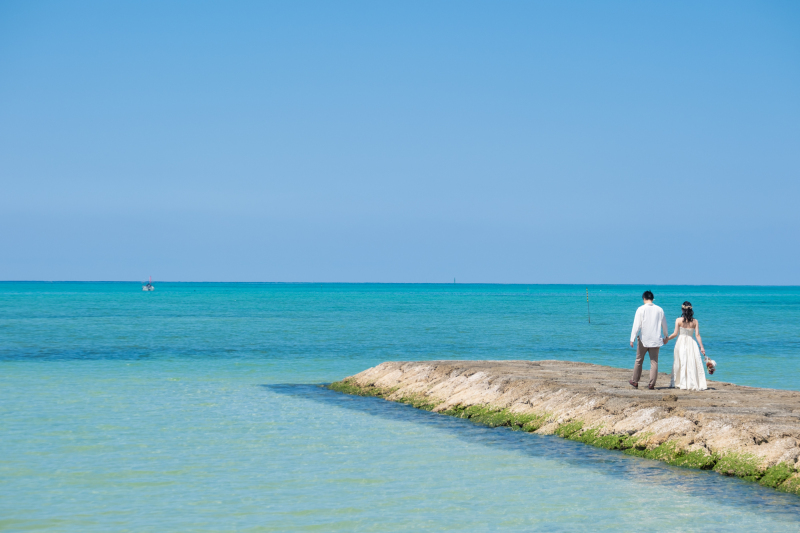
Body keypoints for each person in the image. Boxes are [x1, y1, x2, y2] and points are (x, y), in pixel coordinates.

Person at [629, 290, 669, 390]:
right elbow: (664, 325)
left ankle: (635, 381)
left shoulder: (641, 309)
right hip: (656, 339)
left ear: (644, 298)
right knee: (654, 362)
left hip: (644, 339)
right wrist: (666, 336)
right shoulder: (660, 309)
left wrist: (632, 338)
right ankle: (651, 384)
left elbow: (636, 325)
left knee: (639, 360)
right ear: (652, 298)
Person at [665, 301, 708, 391]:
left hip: (681, 342)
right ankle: (691, 382)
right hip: (691, 342)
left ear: (682, 310)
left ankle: (680, 382)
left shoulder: (678, 320)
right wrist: (702, 347)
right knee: (691, 361)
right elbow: (697, 335)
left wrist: (667, 339)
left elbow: (675, 334)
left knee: (680, 361)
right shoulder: (695, 321)